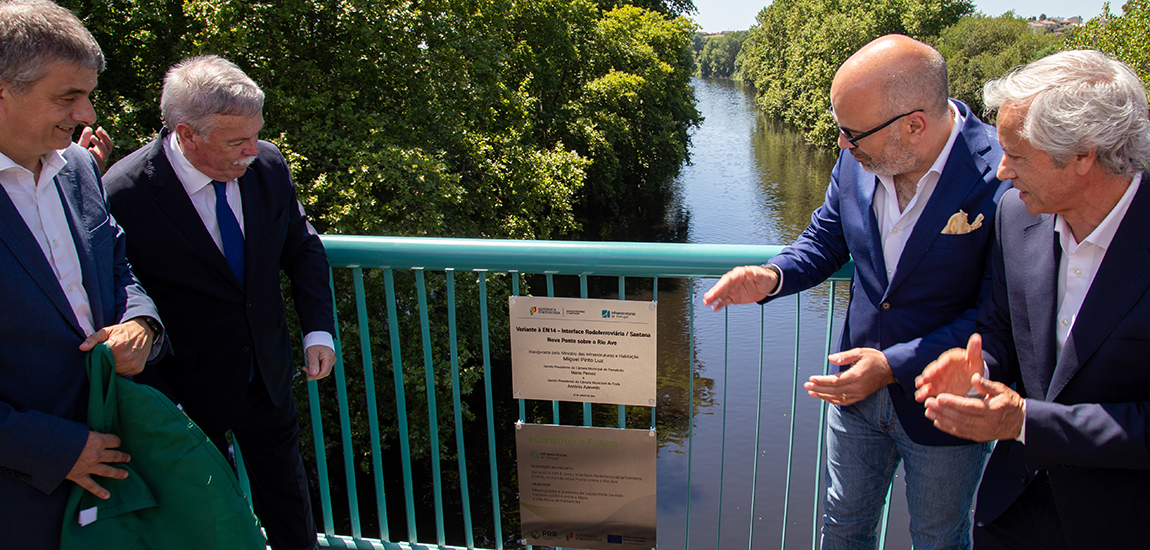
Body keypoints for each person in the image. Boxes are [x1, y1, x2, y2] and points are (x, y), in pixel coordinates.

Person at [703, 34, 1010, 549]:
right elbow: (825, 238)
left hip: (945, 403)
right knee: (842, 529)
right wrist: (771, 277)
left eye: (852, 133)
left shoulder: (1003, 173)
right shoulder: (858, 159)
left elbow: (997, 314)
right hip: (854, 396)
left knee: (938, 538)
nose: (842, 145)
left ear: (914, 124)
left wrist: (890, 365)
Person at [914, 50, 1150, 549]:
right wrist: (979, 367)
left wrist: (1025, 421)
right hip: (1012, 515)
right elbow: (1003, 330)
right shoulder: (1016, 218)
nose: (1001, 172)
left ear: (1085, 154)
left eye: (1017, 156)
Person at [103, 55, 336, 550]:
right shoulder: (124, 192)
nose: (252, 152)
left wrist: (318, 330)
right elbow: (115, 289)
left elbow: (303, 245)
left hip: (268, 378)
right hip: (186, 391)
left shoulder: (268, 164)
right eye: (237, 142)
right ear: (186, 135)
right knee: (207, 522)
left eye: (256, 135)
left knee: (292, 512)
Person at [0, 1, 164, 548]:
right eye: (67, 97)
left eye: (88, 93)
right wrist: (49, 447)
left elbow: (117, 266)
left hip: (106, 471)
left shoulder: (75, 167)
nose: (88, 114)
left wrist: (142, 324)